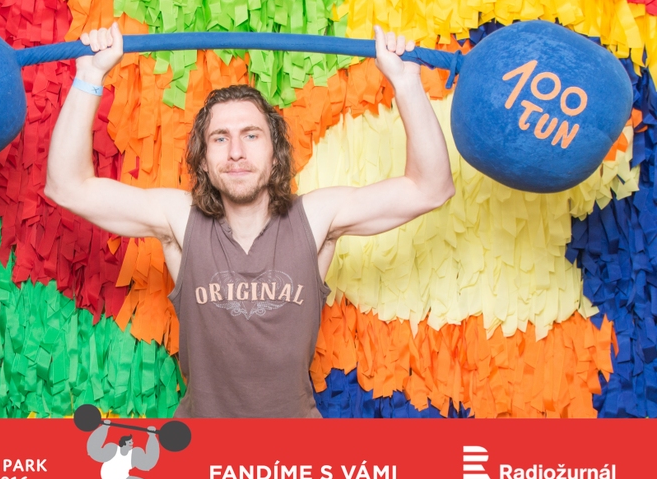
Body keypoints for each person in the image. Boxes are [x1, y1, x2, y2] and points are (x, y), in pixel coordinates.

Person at [46, 23, 454, 418]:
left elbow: (430, 187)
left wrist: (406, 83)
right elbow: (68, 187)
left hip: (291, 453)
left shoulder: (316, 217)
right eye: (220, 138)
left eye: (252, 135)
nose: (236, 152)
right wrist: (89, 76)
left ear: (275, 155)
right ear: (204, 161)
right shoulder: (179, 219)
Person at [87, 420, 159, 479]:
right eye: (130, 442)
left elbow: (149, 462)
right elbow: (95, 450)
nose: (132, 443)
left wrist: (152, 436)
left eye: (132, 442)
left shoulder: (133, 455)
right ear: (124, 443)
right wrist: (104, 428)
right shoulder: (113, 450)